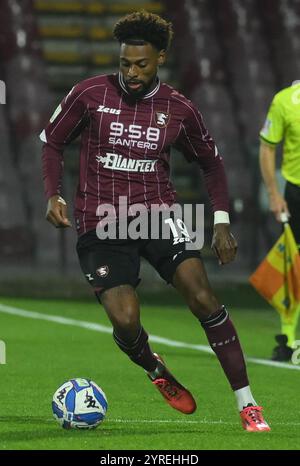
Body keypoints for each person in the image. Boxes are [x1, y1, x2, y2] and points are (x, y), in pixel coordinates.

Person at [40, 11, 270, 432]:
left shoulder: (180, 108)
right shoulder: (90, 94)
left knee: (202, 296)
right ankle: (153, 366)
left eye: (141, 64)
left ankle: (248, 403)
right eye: (125, 63)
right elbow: (52, 141)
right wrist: (53, 193)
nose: (131, 72)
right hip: (101, 222)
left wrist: (220, 222)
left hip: (158, 214)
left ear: (160, 58)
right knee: (126, 321)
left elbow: (211, 164)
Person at [259, 80, 300, 361]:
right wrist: (274, 194)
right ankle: (288, 337)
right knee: (293, 268)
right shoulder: (285, 100)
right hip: (296, 192)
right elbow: (267, 148)